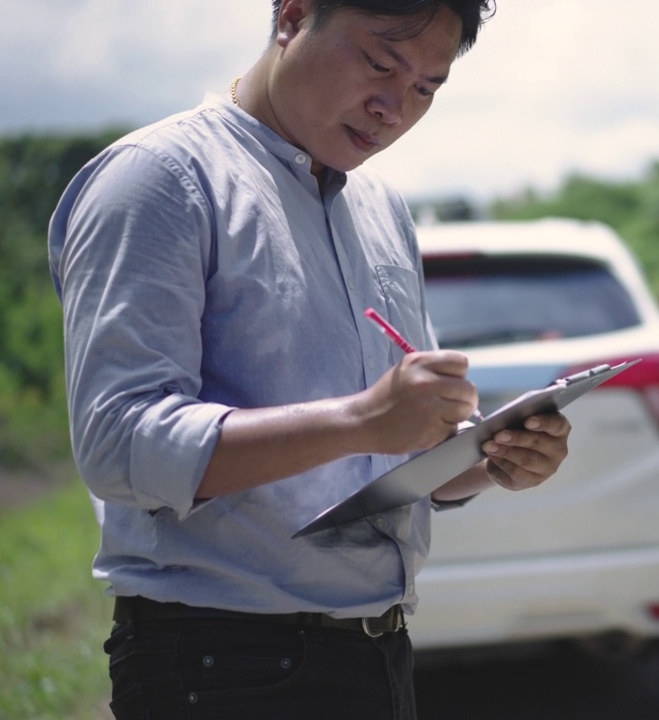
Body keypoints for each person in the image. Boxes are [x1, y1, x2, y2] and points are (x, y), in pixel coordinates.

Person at [47, 1, 573, 718]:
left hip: (376, 651)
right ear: (293, 17)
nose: (394, 107)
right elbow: (118, 444)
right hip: (222, 664)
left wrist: (489, 461)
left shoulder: (380, 206)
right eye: (380, 64)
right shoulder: (160, 180)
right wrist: (359, 419)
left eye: (425, 88)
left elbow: (381, 456)